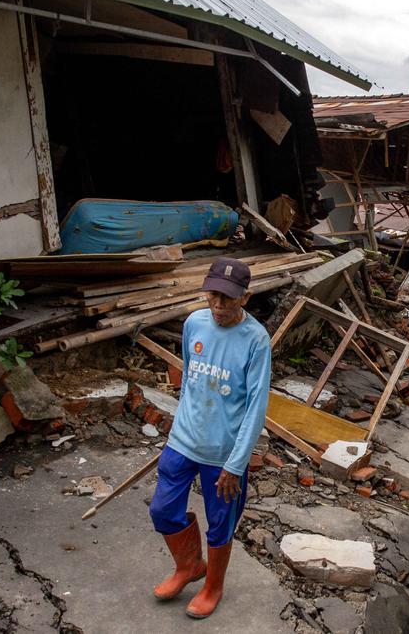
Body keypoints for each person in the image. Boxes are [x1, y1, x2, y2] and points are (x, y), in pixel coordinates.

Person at [147, 257, 271, 619]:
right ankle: (189, 566)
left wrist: (236, 464)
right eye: (213, 295)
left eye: (228, 299)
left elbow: (255, 407)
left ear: (244, 298)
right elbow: (189, 378)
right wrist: (181, 423)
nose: (218, 306)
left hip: (223, 454)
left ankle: (213, 585)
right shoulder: (194, 323)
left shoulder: (256, 340)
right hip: (183, 441)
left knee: (220, 524)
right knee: (162, 510)